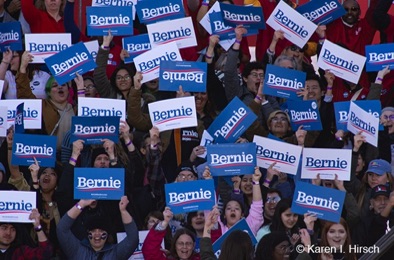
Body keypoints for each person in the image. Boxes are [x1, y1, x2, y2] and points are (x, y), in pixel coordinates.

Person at [56, 196, 139, 259]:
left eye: (101, 231)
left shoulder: (115, 253)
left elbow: (133, 238)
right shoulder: (77, 250)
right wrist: (81, 204)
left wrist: (123, 211)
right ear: (87, 233)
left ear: (107, 234)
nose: (97, 234)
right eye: (93, 231)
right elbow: (62, 229)